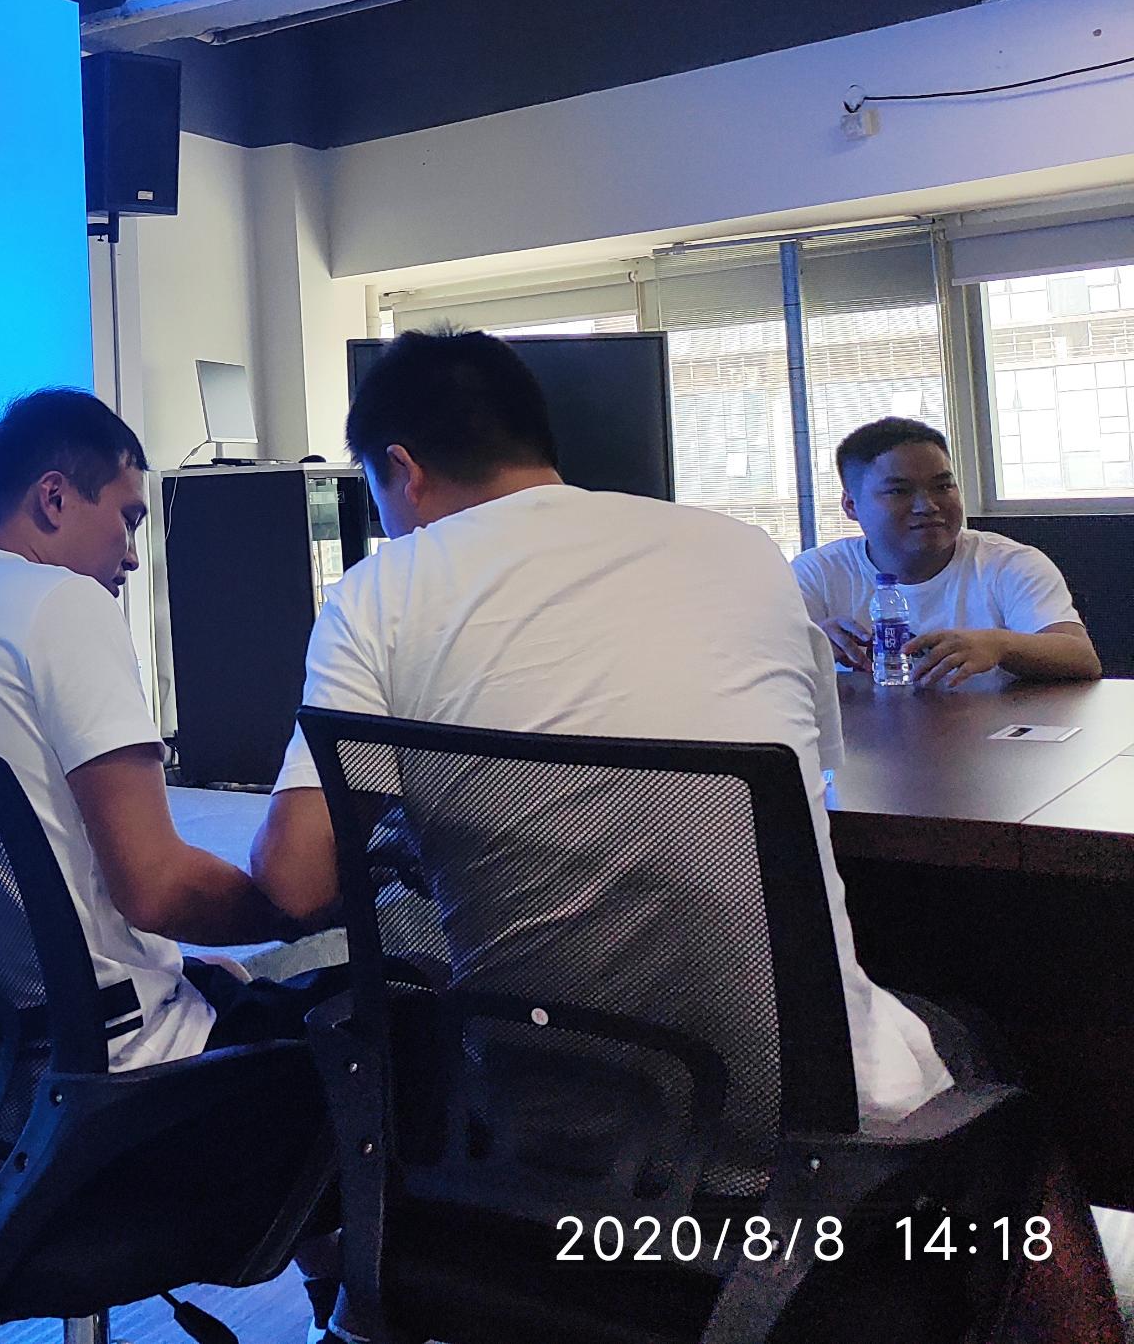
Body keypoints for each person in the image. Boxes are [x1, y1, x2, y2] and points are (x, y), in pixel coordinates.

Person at [250, 333, 1121, 1343]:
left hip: (529, 1129)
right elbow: (800, 778)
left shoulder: (379, 591)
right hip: (799, 1139)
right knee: (987, 1037)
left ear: (400, 468)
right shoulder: (739, 551)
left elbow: (296, 879)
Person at [0, 388, 303, 1067]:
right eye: (128, 519)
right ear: (54, 498)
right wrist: (293, 911)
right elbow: (157, 887)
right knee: (393, 1004)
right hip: (114, 1062)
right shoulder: (65, 603)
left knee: (220, 973)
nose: (133, 557)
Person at [794, 417, 1099, 688]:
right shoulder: (815, 573)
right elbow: (767, 664)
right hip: (858, 732)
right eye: (899, 491)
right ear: (851, 505)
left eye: (943, 487)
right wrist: (808, 645)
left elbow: (1082, 658)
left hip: (988, 730)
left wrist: (1001, 645)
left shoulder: (1009, 563)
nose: (927, 506)